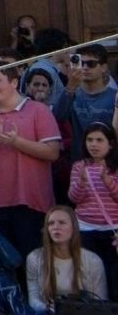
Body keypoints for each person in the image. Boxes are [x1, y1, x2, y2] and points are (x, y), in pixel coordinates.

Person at [0, 66, 62, 259]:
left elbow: (53, 152)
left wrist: (16, 142)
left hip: (33, 202)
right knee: (2, 264)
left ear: (14, 82)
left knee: (33, 263)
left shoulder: (39, 110)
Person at [67, 122, 118, 299]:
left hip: (113, 232)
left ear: (110, 144)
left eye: (99, 140)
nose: (93, 144)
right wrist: (81, 182)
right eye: (89, 140)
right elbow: (74, 198)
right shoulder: (79, 166)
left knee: (114, 276)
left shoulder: (115, 168)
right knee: (92, 277)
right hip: (86, 230)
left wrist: (107, 180)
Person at [25, 206, 106, 313]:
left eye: (62, 223)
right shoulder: (34, 258)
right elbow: (33, 299)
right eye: (51, 223)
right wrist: (51, 309)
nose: (56, 227)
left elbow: (100, 301)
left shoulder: (93, 260)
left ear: (74, 227)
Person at [60, 44, 117, 162]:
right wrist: (70, 86)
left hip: (110, 164)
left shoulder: (115, 96)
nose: (85, 67)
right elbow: (58, 117)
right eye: (81, 63)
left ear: (104, 67)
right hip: (79, 163)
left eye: (91, 64)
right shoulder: (71, 93)